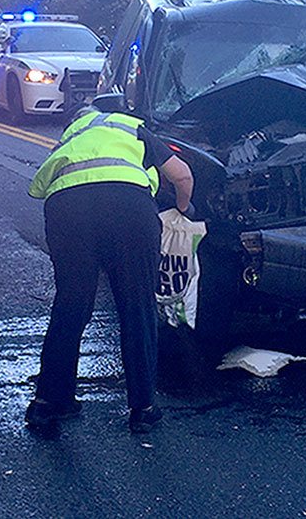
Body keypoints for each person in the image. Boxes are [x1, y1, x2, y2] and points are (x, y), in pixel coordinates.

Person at [25, 101, 194, 434]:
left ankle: (48, 403)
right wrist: (182, 208)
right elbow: (182, 174)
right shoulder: (132, 127)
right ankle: (143, 409)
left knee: (71, 306)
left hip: (67, 212)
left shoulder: (72, 136)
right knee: (137, 306)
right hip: (129, 211)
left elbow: (41, 187)